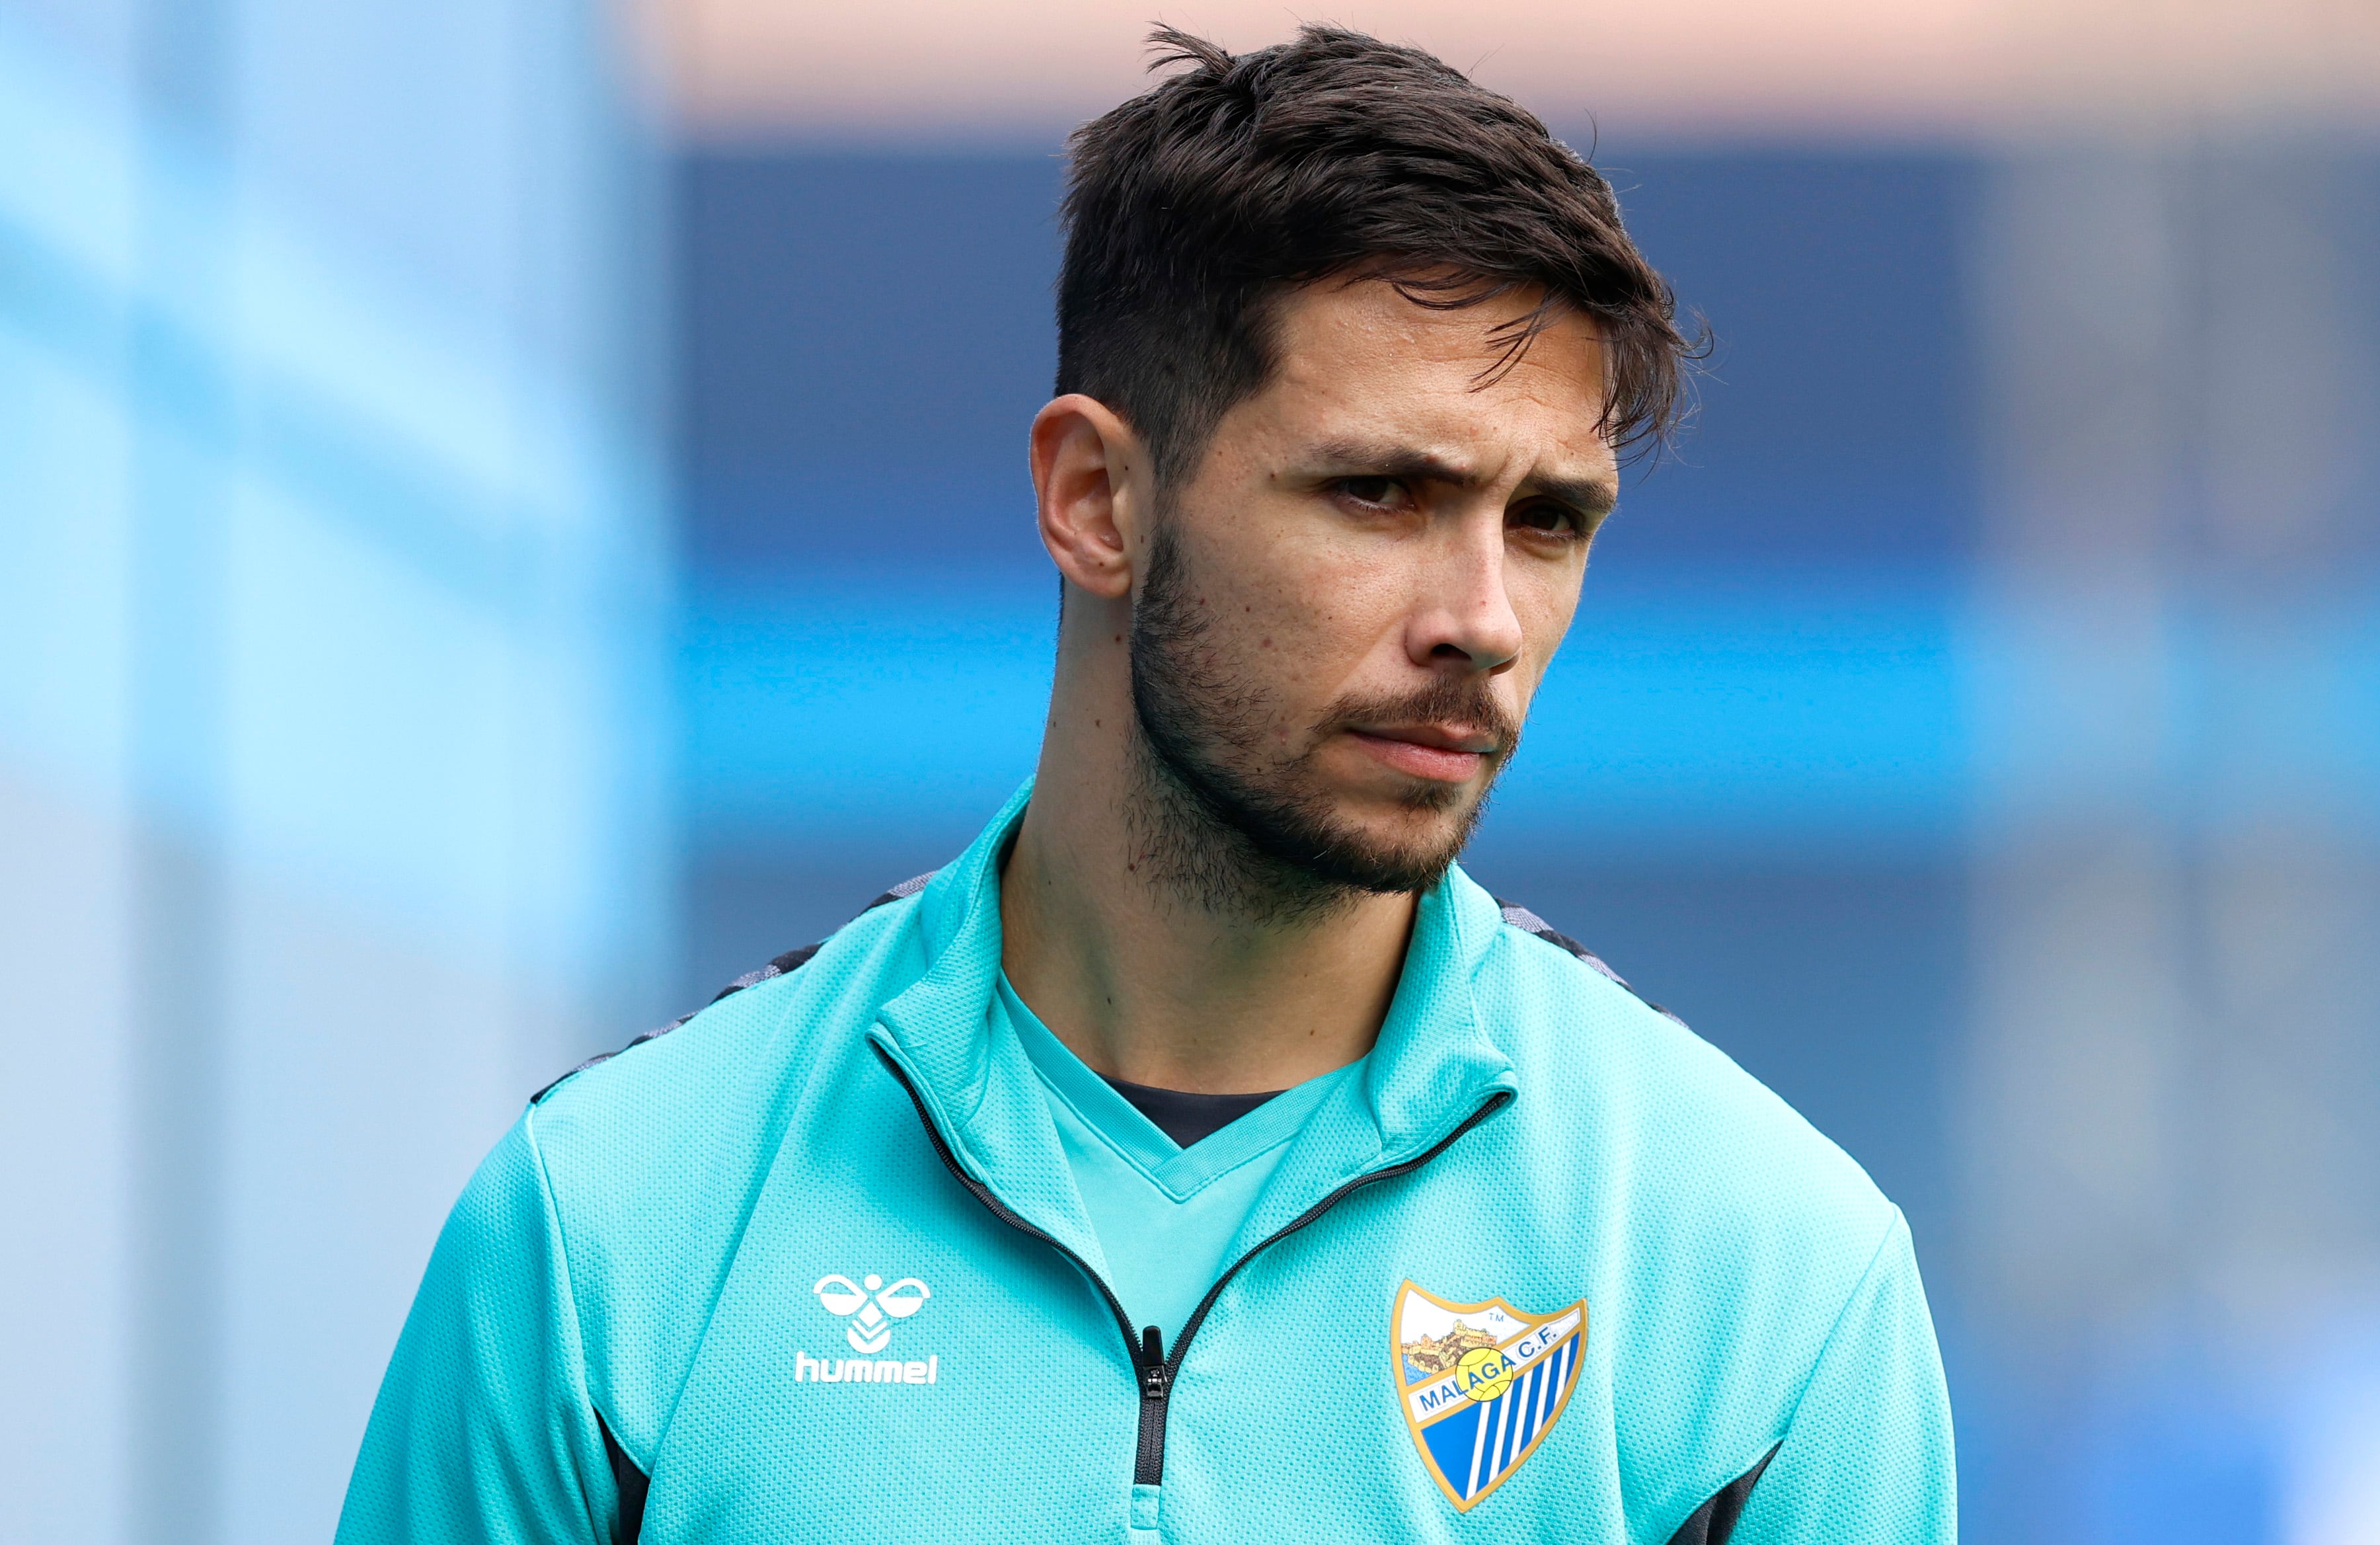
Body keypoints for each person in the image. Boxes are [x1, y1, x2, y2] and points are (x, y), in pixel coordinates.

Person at [338, 24, 1954, 1544]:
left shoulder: (1763, 1280)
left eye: (1548, 520)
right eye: (1381, 491)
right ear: (1096, 498)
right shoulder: (609, 1228)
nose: (1482, 619)